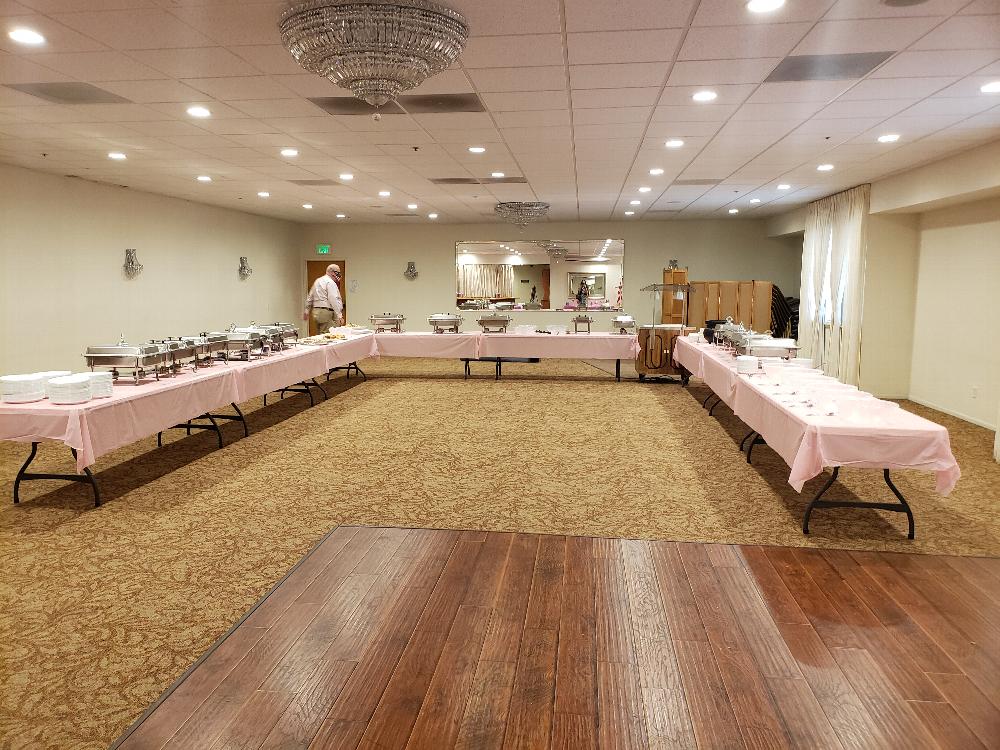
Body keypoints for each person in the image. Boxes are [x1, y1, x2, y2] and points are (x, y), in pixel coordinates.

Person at [304, 263, 343, 333]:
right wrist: (339, 315)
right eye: (338, 272)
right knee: (328, 336)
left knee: (320, 334)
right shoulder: (330, 282)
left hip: (316, 312)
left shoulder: (318, 281)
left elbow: (310, 297)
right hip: (326, 312)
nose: (339, 275)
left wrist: (306, 311)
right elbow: (333, 298)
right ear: (332, 272)